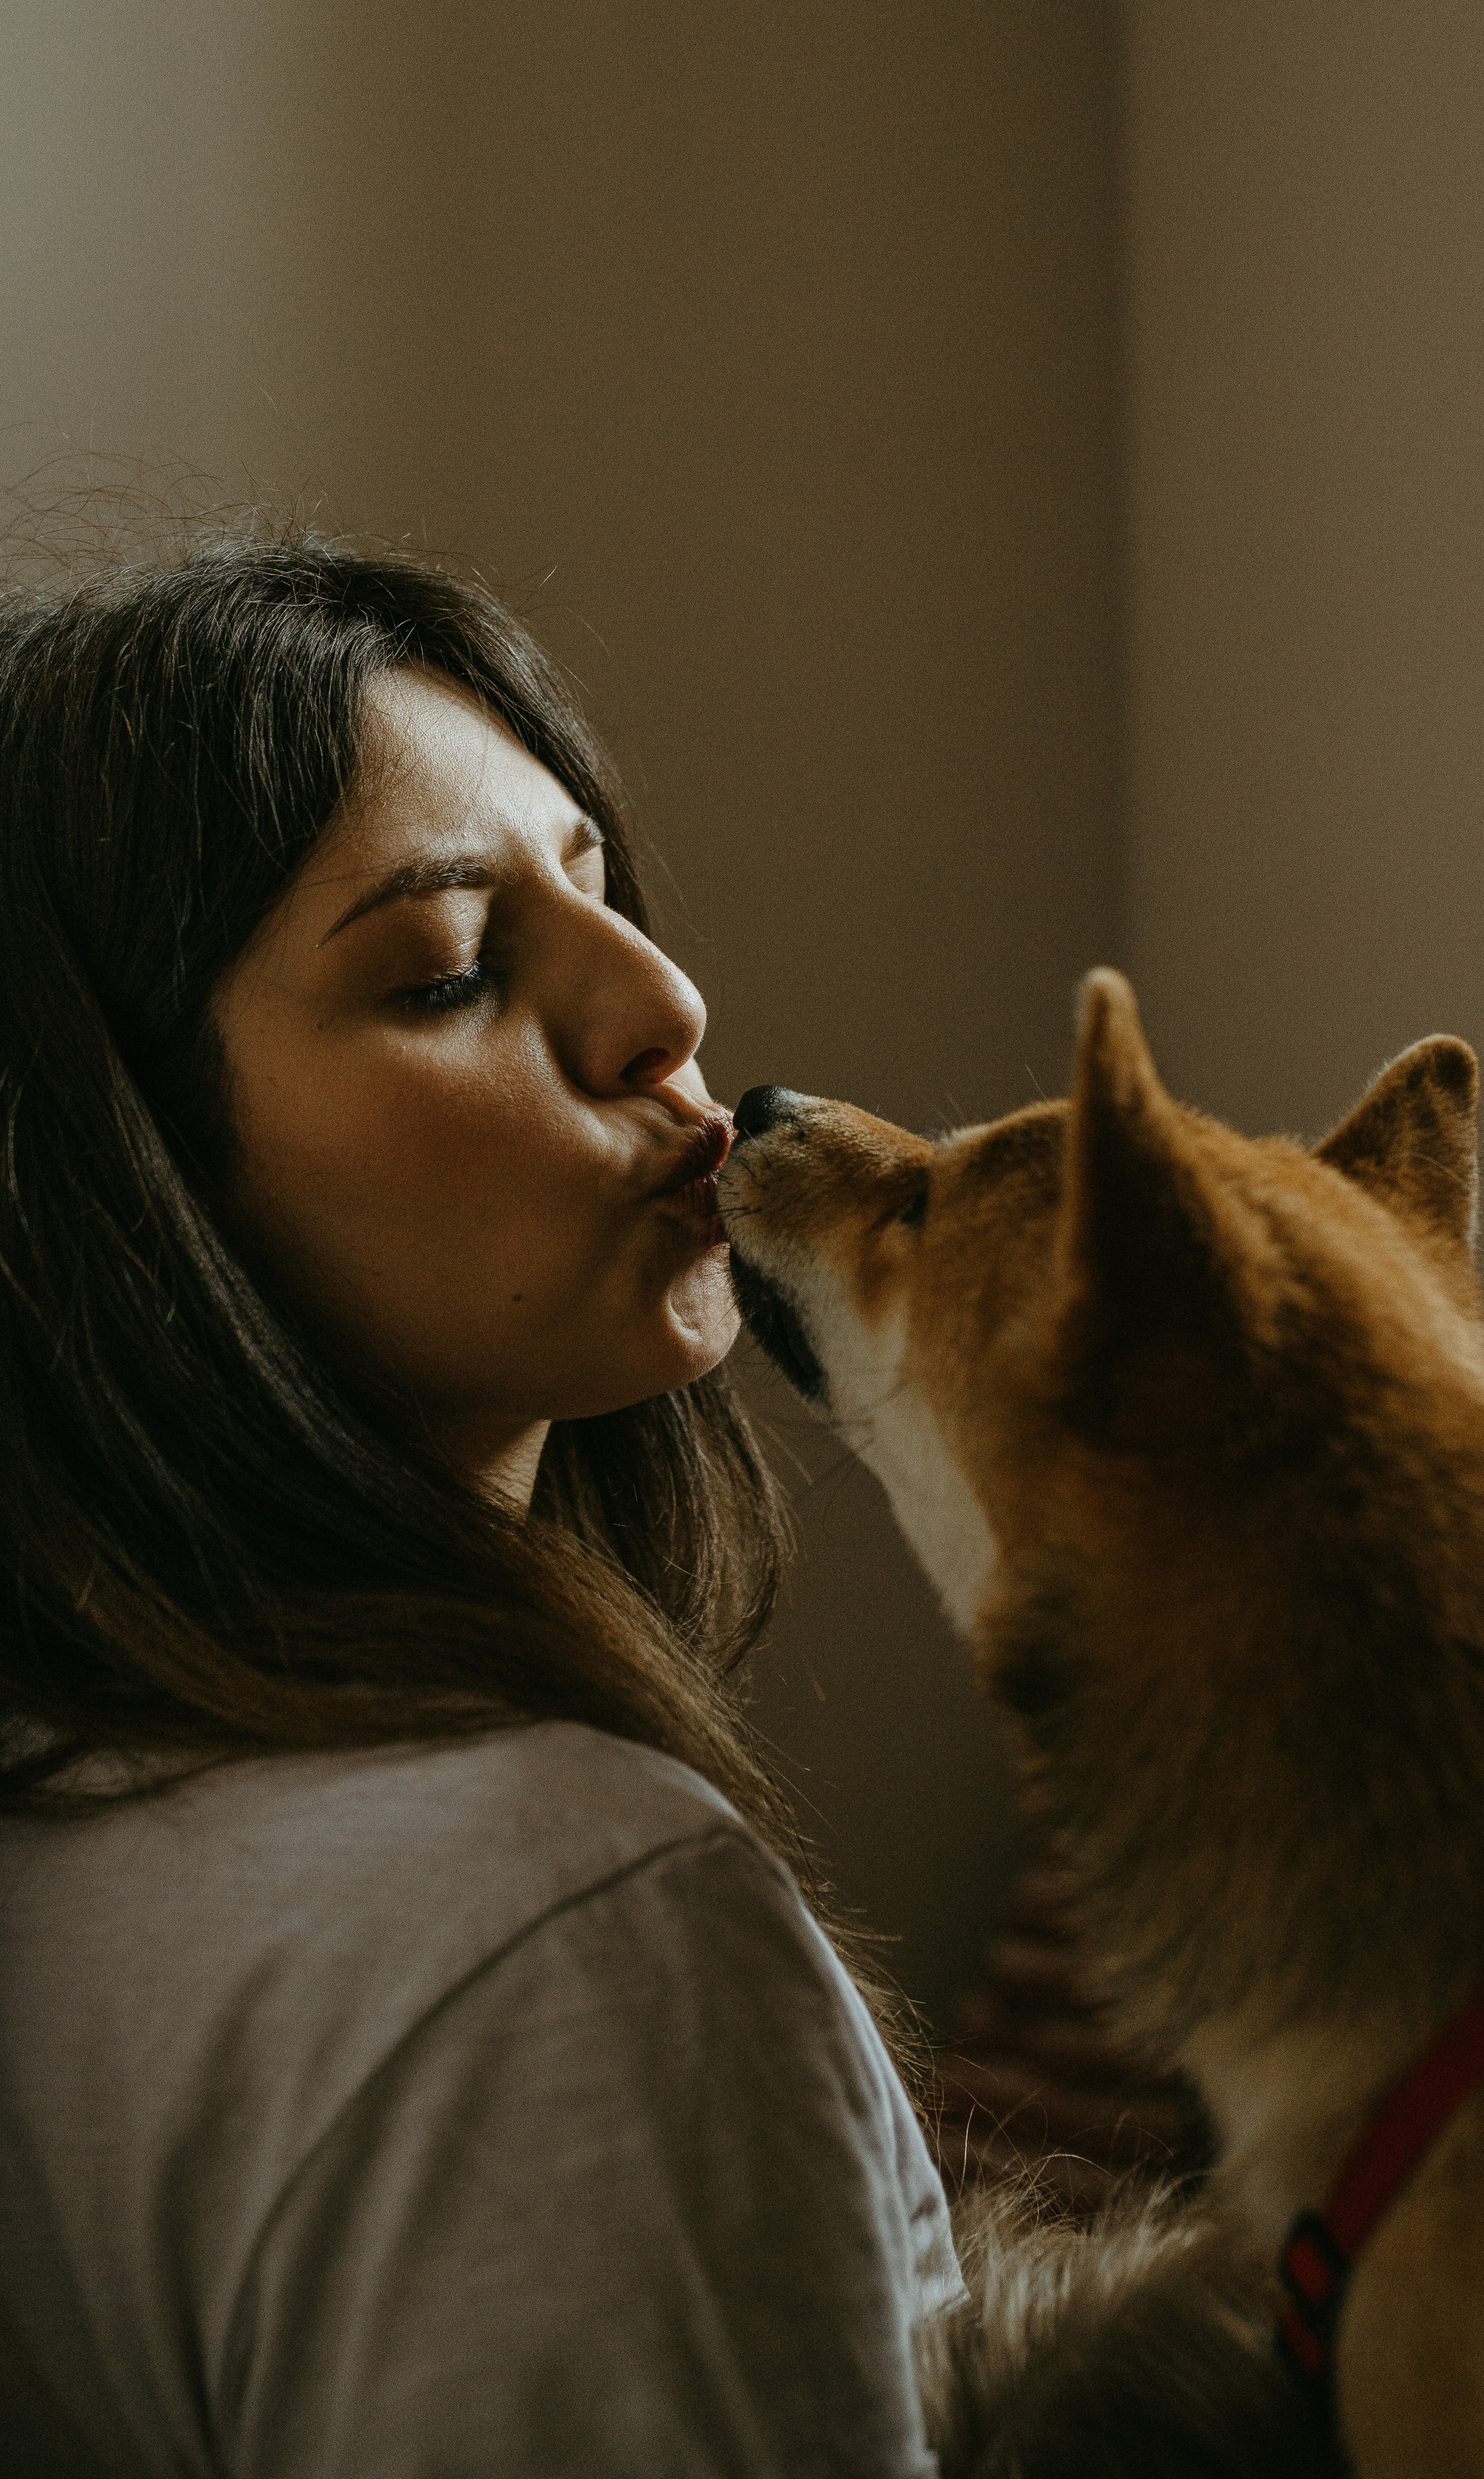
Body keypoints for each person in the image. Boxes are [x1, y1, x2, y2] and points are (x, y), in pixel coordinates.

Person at [0, 532, 960, 2476]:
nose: (665, 1005)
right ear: (121, 1185)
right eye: (447, 973)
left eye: (596, 889)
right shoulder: (550, 1921)